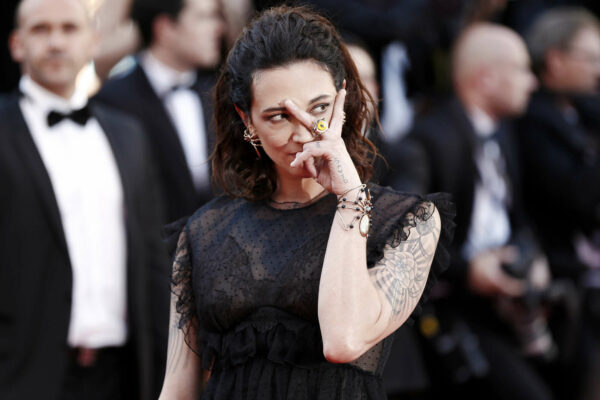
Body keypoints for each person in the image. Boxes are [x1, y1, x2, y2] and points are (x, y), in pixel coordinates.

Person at [157, 6, 454, 400]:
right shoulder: (202, 233)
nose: (304, 133)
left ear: (344, 99)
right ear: (247, 121)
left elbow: (344, 340)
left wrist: (351, 198)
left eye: (318, 109)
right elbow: (178, 389)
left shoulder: (408, 222)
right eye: (279, 116)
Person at [0, 0, 169, 399]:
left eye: (69, 28)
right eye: (41, 29)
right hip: (22, 374)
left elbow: (153, 258)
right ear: (16, 44)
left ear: (93, 41)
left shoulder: (129, 136)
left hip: (123, 375)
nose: (56, 42)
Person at [387, 23, 558, 399]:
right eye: (521, 69)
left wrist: (533, 256)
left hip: (508, 300)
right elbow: (405, 235)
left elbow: (514, 214)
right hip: (453, 308)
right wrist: (470, 270)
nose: (532, 82)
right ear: (486, 78)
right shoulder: (428, 141)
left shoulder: (503, 132)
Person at [518, 7, 600, 399]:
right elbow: (575, 196)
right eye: (591, 58)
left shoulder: (580, 111)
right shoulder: (533, 118)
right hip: (559, 281)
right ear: (555, 59)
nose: (598, 70)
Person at [95, 0, 225, 223]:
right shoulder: (113, 102)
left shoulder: (221, 93)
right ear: (165, 29)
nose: (218, 28)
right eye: (204, 17)